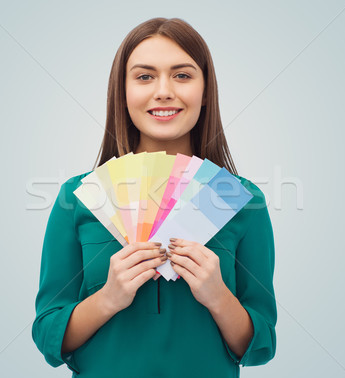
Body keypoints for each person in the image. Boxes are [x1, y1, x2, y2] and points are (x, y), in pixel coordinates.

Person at [32, 17, 277, 378]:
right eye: (145, 76)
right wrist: (108, 298)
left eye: (182, 75)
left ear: (205, 90)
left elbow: (261, 346)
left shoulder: (241, 200)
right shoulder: (78, 197)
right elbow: (47, 334)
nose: (163, 91)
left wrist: (218, 296)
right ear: (123, 91)